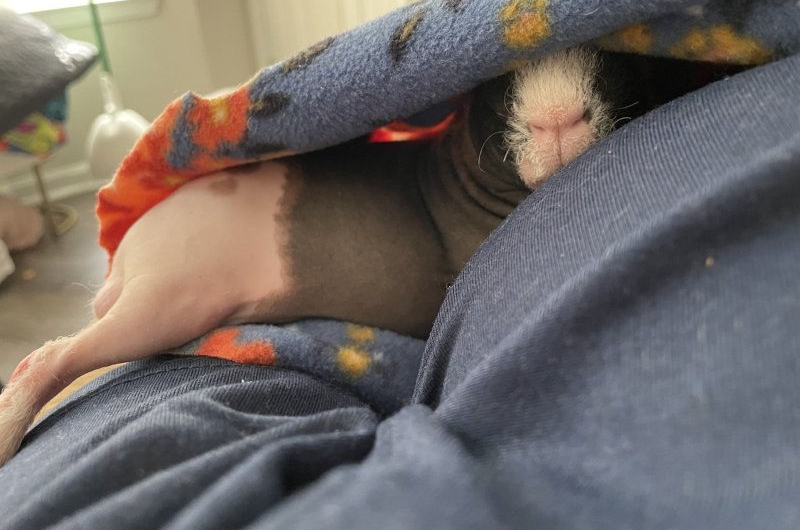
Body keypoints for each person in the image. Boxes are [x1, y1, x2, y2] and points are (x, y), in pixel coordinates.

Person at [0, 53, 798, 529]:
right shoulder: (461, 180)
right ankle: (39, 378)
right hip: (212, 235)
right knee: (137, 324)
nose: (553, 122)